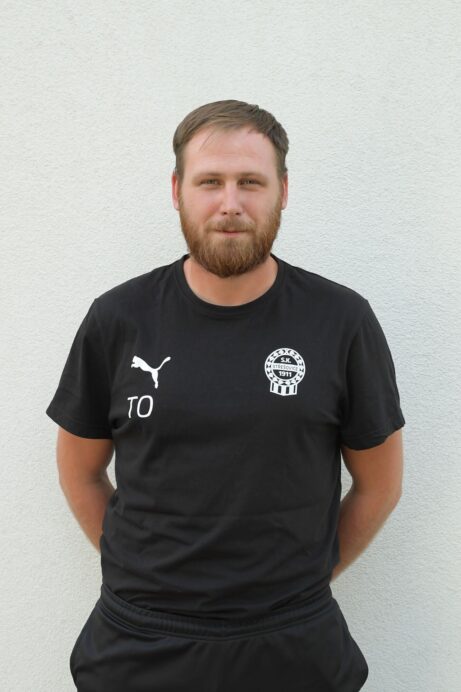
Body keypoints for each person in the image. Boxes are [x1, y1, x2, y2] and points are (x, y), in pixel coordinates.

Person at [46, 99, 405, 691]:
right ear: (177, 191)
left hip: (293, 644)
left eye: (251, 182)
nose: (230, 203)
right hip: (140, 644)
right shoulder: (118, 319)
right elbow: (79, 471)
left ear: (283, 191)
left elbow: (380, 484)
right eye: (209, 181)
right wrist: (140, 573)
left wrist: (304, 579)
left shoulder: (341, 321)